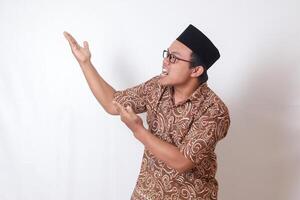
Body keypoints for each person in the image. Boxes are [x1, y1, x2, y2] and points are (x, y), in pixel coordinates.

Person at [64, 24, 230, 200]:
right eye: (167, 54)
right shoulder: (157, 86)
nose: (165, 61)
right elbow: (113, 103)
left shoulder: (214, 111)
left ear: (196, 70)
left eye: (174, 58)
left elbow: (182, 161)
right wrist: (85, 63)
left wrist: (138, 130)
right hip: (146, 194)